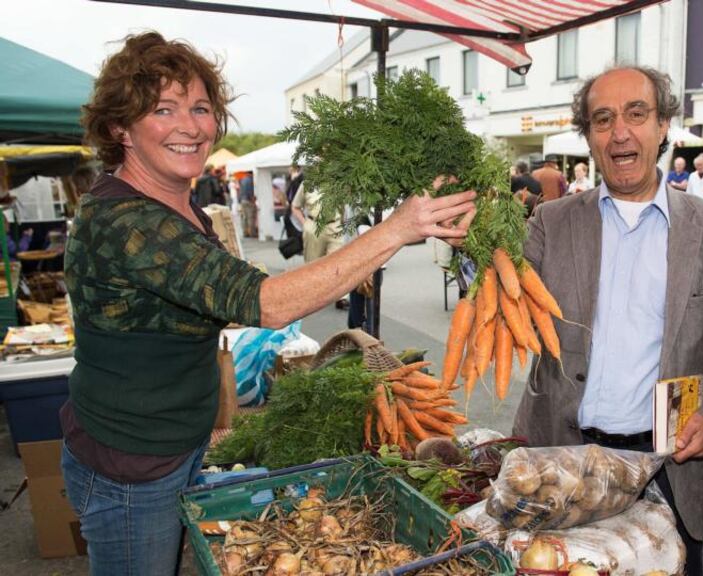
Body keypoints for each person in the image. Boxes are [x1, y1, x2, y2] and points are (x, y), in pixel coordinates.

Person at [64, 32, 476, 576]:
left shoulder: (172, 204)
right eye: (164, 109)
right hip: (130, 465)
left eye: (201, 108)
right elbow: (267, 303)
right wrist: (396, 229)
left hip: (168, 444)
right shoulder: (127, 222)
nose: (190, 126)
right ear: (121, 128)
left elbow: (226, 291)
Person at [512, 65, 703, 576]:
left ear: (663, 125)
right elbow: (507, 306)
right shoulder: (551, 223)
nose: (620, 131)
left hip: (668, 464)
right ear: (590, 137)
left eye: (636, 114)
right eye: (603, 119)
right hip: (560, 457)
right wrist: (479, 251)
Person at [238, 170, 257, 237]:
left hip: (242, 200)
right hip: (248, 200)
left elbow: (240, 191)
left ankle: (245, 232)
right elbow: (249, 191)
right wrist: (252, 200)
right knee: (250, 217)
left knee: (244, 217)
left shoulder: (242, 179)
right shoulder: (250, 180)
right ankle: (252, 233)